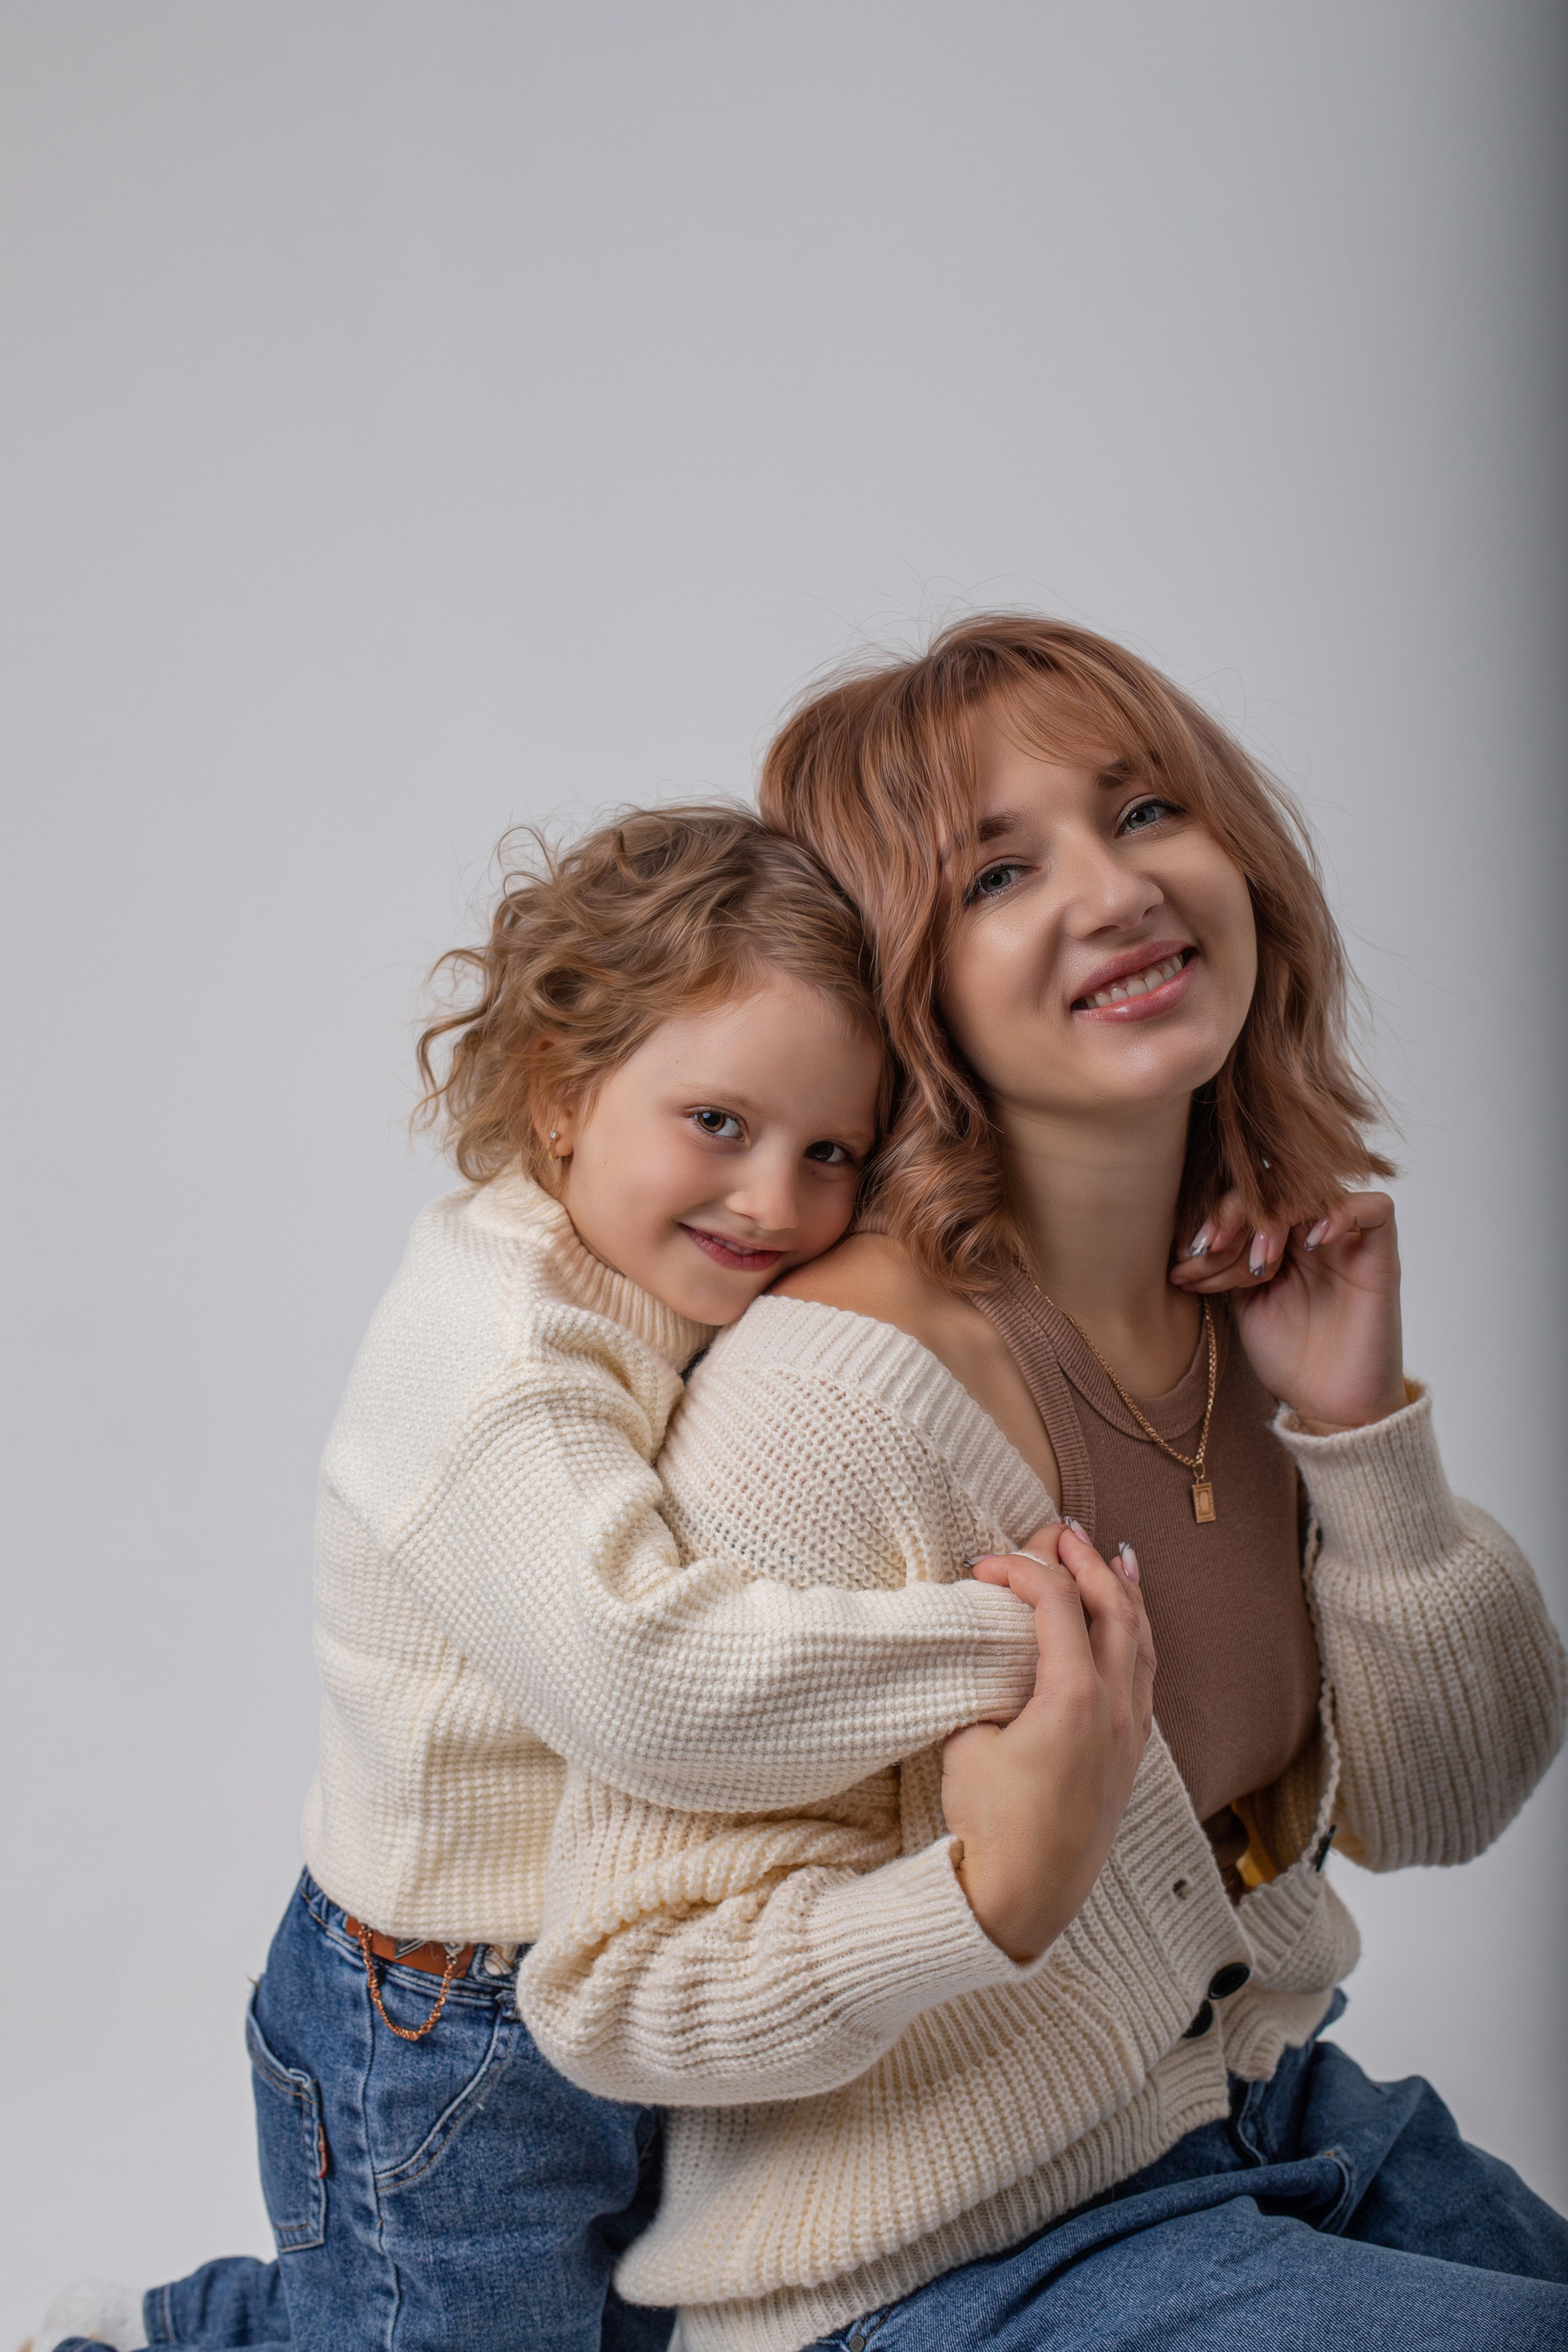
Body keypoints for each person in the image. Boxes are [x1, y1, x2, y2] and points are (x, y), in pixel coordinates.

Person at [516, 617, 1568, 2351]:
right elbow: (620, 1989)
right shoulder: (831, 1401)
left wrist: (1361, 1432)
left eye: (1146, 811)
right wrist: (981, 1898)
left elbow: (1445, 1806)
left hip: (1273, 2123)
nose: (1117, 890)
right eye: (1000, 873)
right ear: (901, 984)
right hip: (937, 2270)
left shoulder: (1246, 1298)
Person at [30, 805, 1054, 2352]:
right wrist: (1013, 1646)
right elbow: (654, 1684)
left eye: (828, 1151)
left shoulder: (649, 1267)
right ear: (564, 1095)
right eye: (718, 1122)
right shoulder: (501, 1359)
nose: (774, 1202)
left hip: (591, 1980)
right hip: (441, 2025)